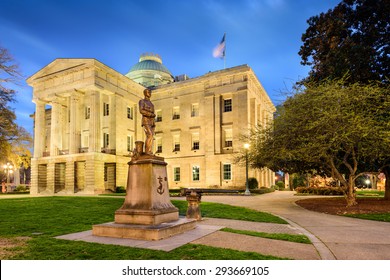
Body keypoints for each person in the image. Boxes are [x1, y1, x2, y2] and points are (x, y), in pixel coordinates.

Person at [139, 88, 155, 155]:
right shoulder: (142, 101)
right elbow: (141, 110)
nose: (149, 93)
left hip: (151, 121)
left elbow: (153, 113)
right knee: (150, 135)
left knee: (151, 136)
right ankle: (147, 151)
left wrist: (153, 123)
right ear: (145, 93)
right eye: (148, 92)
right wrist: (150, 114)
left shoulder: (151, 104)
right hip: (145, 120)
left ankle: (149, 151)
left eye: (150, 92)